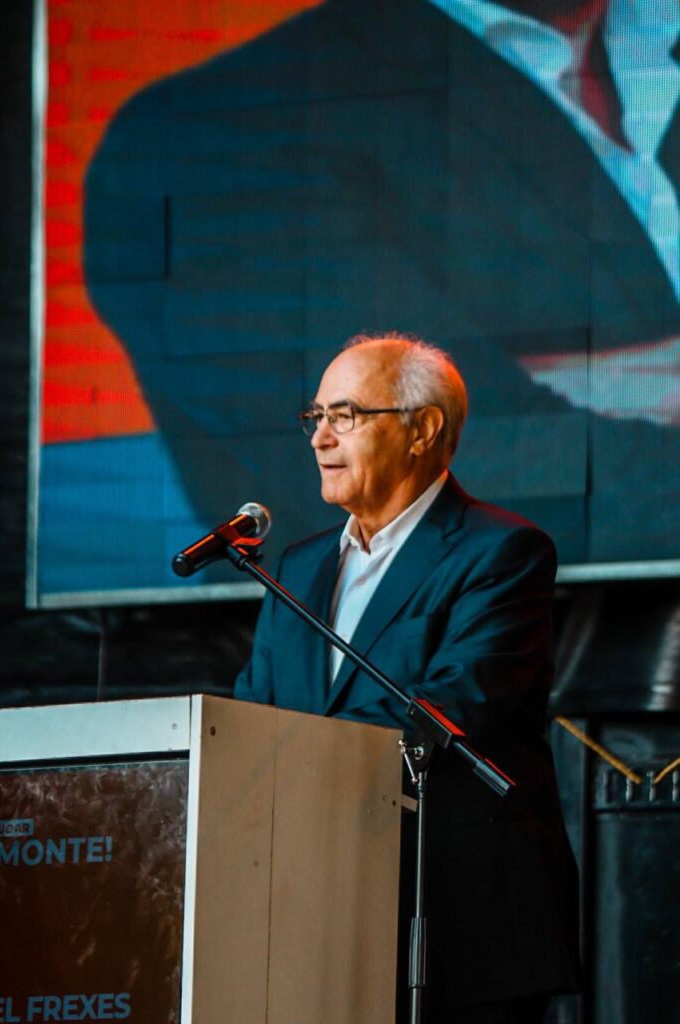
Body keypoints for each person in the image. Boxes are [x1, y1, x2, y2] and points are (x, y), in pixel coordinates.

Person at [84, 0, 680, 571]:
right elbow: (456, 461)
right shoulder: (213, 127)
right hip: (476, 630)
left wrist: (563, 388)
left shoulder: (655, 39)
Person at [234, 332, 581, 1023]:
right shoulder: (297, 569)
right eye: (315, 417)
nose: (319, 438)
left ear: (422, 430)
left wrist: (298, 761)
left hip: (457, 923)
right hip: (316, 919)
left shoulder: (501, 552)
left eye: (344, 416)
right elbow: (252, 719)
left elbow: (454, 708)